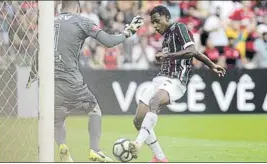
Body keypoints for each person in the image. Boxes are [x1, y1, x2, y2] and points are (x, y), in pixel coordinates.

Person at [128, 5, 226, 162]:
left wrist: (167, 56)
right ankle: (160, 157)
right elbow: (195, 53)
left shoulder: (179, 27)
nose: (154, 25)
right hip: (161, 78)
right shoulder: (166, 35)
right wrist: (212, 65)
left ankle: (137, 143)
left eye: (157, 21)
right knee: (138, 119)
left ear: (167, 17)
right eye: (152, 22)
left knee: (154, 101)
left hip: (176, 80)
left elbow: (192, 50)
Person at [54, 1, 143, 162]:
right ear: (77, 8)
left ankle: (62, 146)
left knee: (57, 119)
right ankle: (95, 150)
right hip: (71, 79)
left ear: (61, 7)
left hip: (51, 82)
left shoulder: (50, 22)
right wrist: (128, 32)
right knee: (94, 110)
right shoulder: (82, 21)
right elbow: (108, 42)